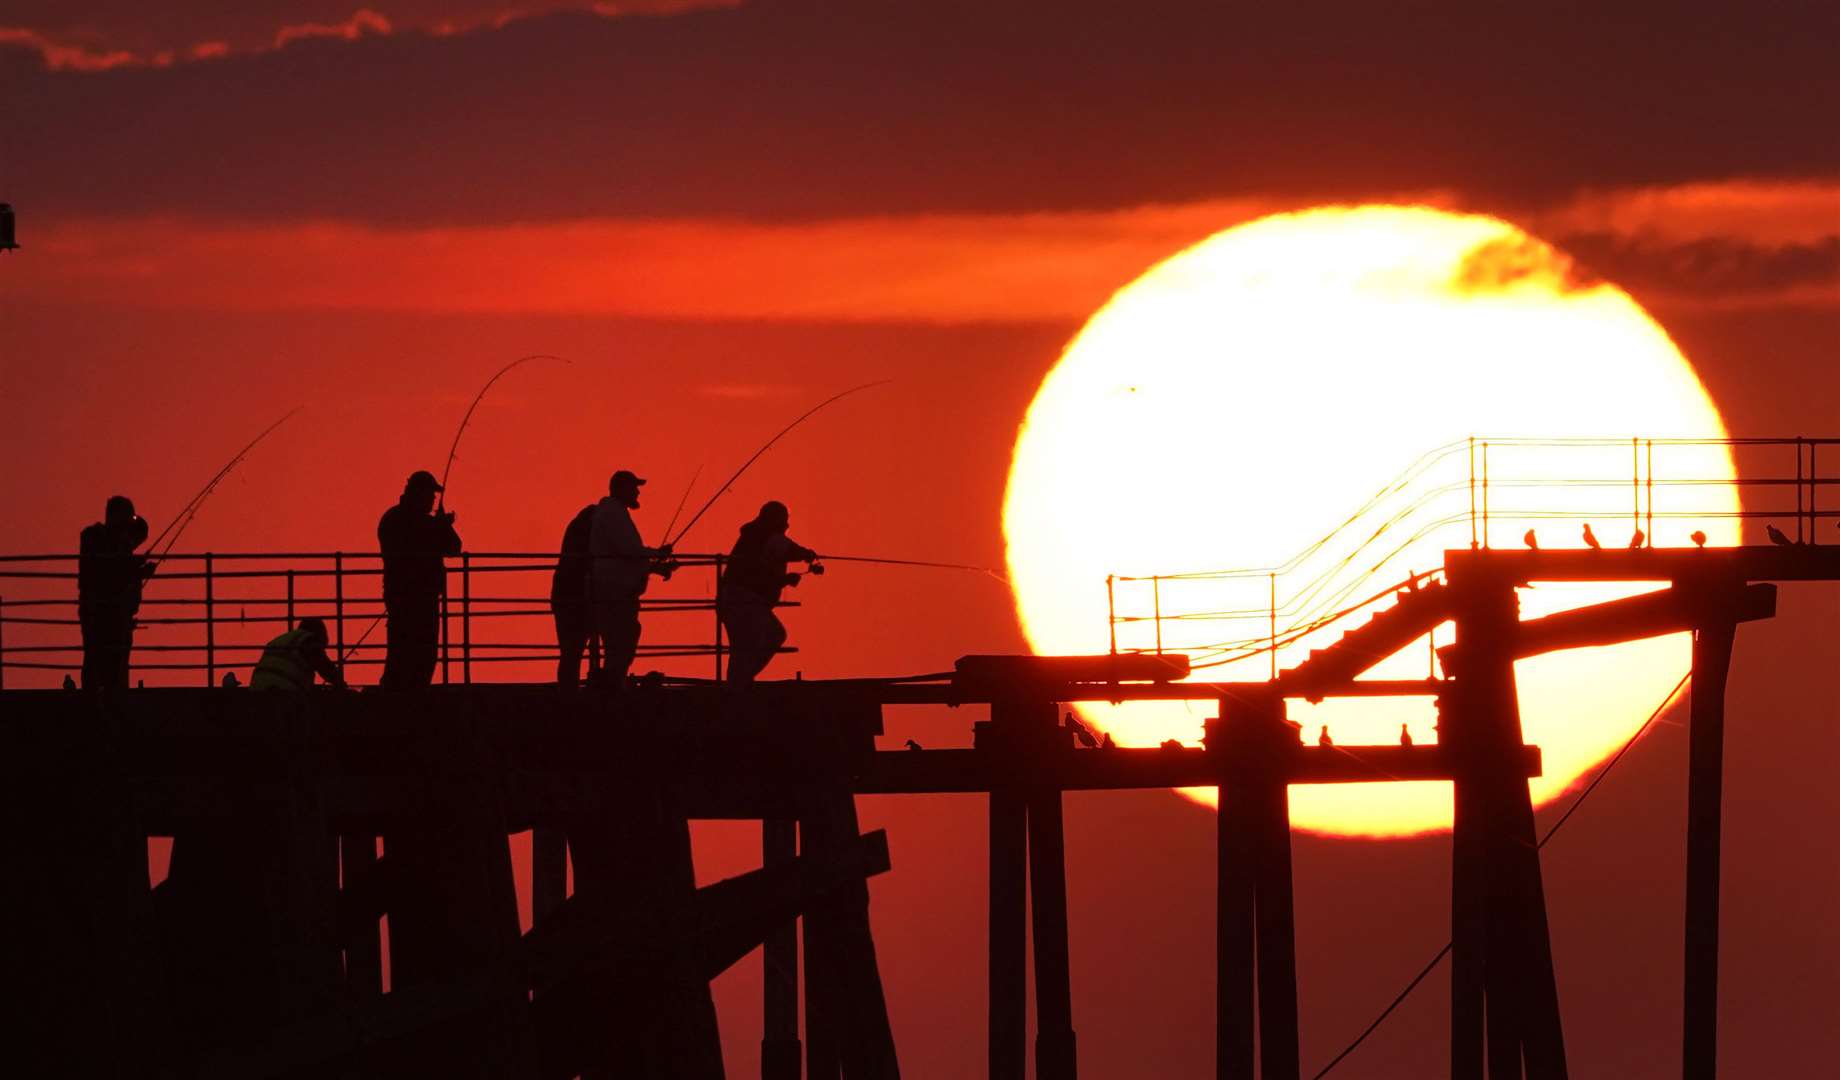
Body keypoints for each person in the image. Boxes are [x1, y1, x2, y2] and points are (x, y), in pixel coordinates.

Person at [718, 501, 820, 684]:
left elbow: (760, 573)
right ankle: (741, 681)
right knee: (773, 634)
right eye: (784, 520)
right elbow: (786, 549)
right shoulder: (765, 535)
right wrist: (807, 554)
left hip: (733, 598)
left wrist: (784, 580)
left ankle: (737, 683)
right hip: (744, 599)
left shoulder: (753, 536)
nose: (786, 525)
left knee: (742, 646)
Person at [587, 470, 673, 686]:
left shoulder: (613, 512)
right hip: (614, 591)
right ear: (623, 489)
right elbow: (629, 550)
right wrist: (656, 554)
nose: (637, 493)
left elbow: (625, 556)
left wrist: (655, 567)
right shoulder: (613, 514)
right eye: (634, 488)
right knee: (622, 638)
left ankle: (613, 681)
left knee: (621, 638)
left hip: (614, 590)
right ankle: (613, 684)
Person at [377, 470, 461, 688]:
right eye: (431, 495)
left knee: (400, 651)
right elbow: (453, 548)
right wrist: (443, 524)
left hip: (401, 594)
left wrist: (439, 525)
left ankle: (395, 693)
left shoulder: (391, 518)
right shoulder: (421, 523)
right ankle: (413, 695)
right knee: (422, 652)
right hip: (421, 596)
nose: (433, 499)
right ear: (419, 493)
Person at [78, 494, 152, 689]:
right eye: (128, 517)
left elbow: (117, 571)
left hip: (115, 615)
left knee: (113, 664)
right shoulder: (95, 537)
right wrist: (136, 569)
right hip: (101, 614)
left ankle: (105, 700)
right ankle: (100, 702)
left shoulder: (109, 541)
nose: (129, 523)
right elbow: (108, 572)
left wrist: (137, 570)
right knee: (101, 663)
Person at [550, 502, 599, 686]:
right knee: (574, 650)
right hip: (576, 599)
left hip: (565, 596)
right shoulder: (586, 533)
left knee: (570, 652)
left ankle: (568, 689)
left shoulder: (577, 529)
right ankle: (570, 689)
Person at [250, 616, 347, 690]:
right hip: (282, 691)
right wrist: (341, 685)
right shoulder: (307, 640)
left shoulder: (281, 640)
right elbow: (324, 667)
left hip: (257, 690)